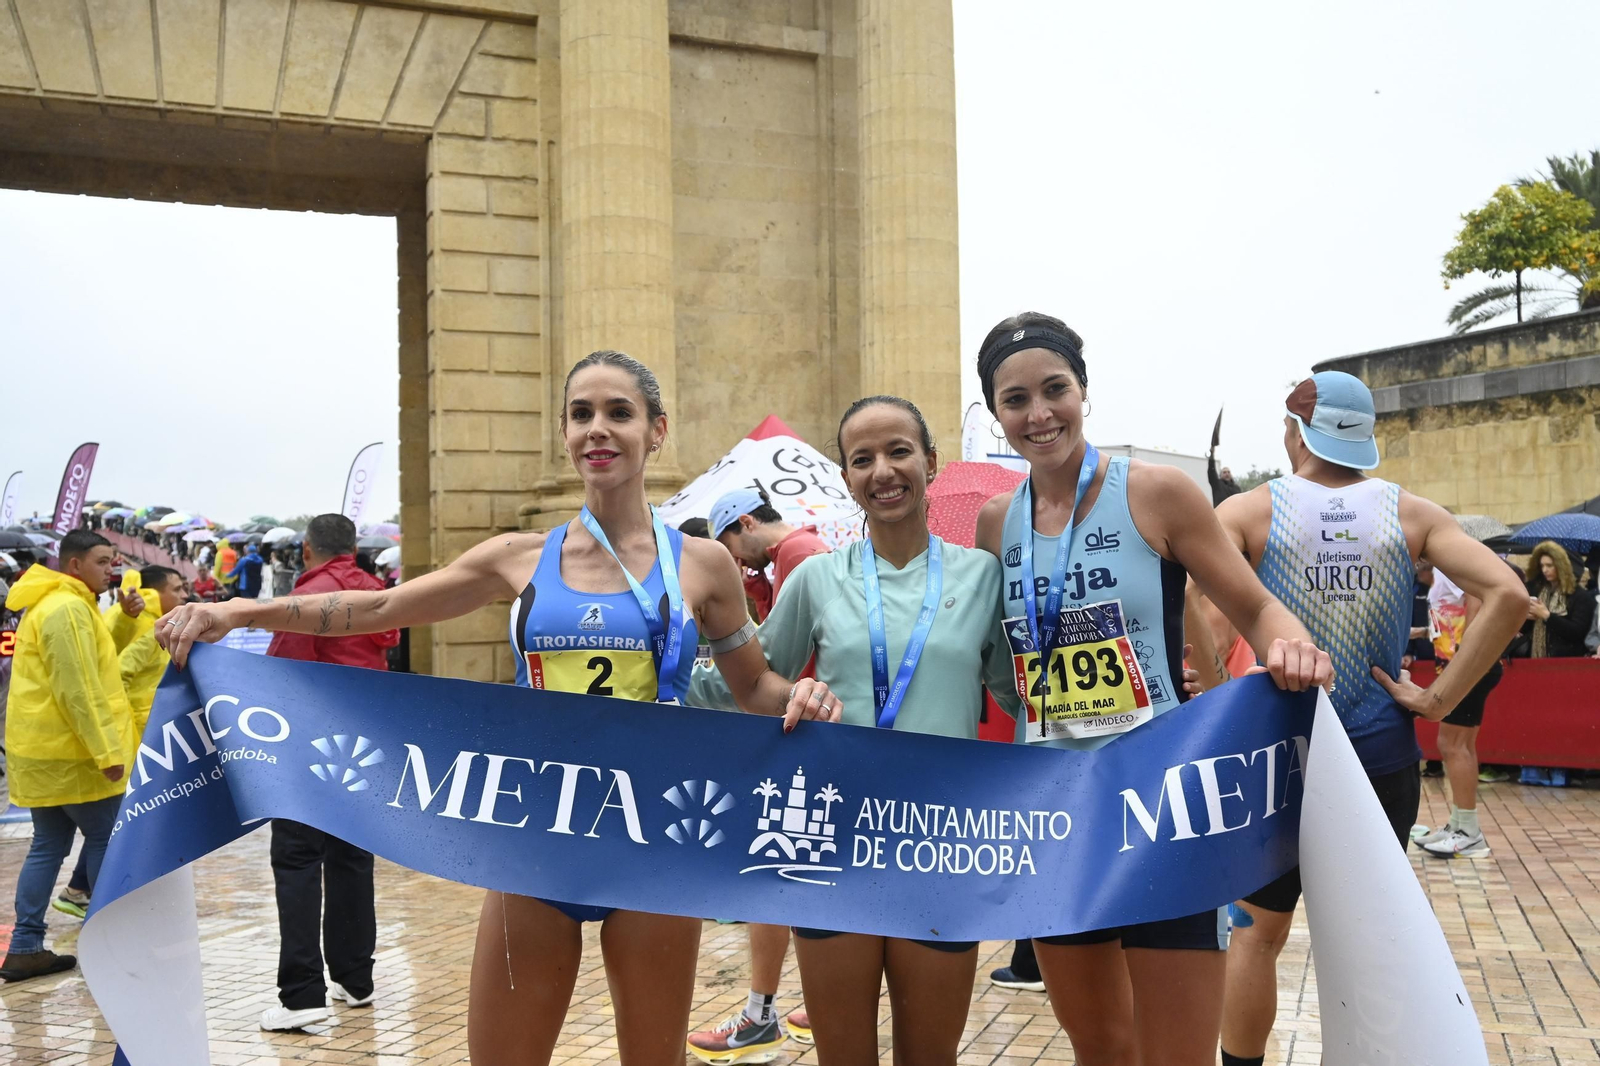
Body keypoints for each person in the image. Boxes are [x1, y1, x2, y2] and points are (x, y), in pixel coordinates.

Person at [158, 349, 841, 1064]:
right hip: (536, 836)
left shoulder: (703, 564)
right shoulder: (517, 557)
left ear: (657, 430)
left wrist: (802, 693)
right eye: (581, 415)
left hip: (653, 844)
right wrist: (240, 612)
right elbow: (384, 605)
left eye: (619, 413)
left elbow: (754, 689)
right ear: (565, 432)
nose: (597, 430)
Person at [971, 312, 1333, 1066]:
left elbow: (1256, 606)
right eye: (1015, 399)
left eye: (1054, 390)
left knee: (1176, 1054)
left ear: (1083, 392)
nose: (1038, 414)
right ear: (994, 412)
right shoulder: (995, 522)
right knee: (1101, 1048)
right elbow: (1002, 666)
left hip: (1161, 804)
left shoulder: (1158, 492)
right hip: (1059, 812)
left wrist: (1290, 646)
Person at [1204, 371, 1526, 1066]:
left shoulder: (1249, 515)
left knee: (1257, 935)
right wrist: (1437, 699)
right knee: (1367, 942)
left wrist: (1214, 705)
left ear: (1295, 433)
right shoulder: (1412, 516)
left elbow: (1195, 616)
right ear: (1364, 437)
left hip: (1275, 758)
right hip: (1380, 758)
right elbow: (1507, 592)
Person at [689, 395, 1022, 1066]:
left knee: (930, 1056)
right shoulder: (815, 578)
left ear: (930, 461)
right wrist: (660, 672)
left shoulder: (982, 576)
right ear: (846, 478)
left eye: (899, 452)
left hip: (940, 842)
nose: (882, 471)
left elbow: (1020, 697)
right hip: (833, 839)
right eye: (861, 459)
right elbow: (748, 682)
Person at [684, 486, 833, 1062]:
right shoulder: (794, 557)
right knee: (786, 879)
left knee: (774, 877)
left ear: (745, 522)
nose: (733, 563)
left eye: (729, 548)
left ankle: (764, 1012)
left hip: (799, 736)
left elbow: (768, 667)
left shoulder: (799, 555)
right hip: (801, 733)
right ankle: (789, 1005)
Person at [253, 514, 399, 1031]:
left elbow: (280, 673)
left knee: (296, 860)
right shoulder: (378, 592)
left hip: (308, 743)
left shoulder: (311, 596)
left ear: (308, 549)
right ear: (354, 547)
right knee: (352, 858)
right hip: (364, 743)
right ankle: (355, 979)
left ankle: (301, 994)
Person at [0, 530, 139, 981]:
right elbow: (77, 689)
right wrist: (106, 751)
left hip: (46, 752)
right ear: (74, 564)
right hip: (75, 755)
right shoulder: (66, 608)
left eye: (113, 561)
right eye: (102, 561)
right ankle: (111, 943)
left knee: (48, 845)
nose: (111, 569)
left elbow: (96, 659)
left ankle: (26, 945)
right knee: (104, 840)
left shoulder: (64, 604)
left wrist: (120, 619)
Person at [1413, 559, 1524, 856]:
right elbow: (1451, 617)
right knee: (1460, 744)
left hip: (1469, 666)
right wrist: (1424, 634)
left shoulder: (1450, 568)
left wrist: (1465, 658)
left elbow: (1476, 600)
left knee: (1451, 744)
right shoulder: (1439, 574)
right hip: (1466, 664)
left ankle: (1468, 831)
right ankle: (1460, 823)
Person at [1514, 541, 1596, 786]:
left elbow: (1577, 632)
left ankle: (1566, 771)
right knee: (1537, 720)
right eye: (1542, 566)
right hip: (1535, 667)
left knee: (1562, 722)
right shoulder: (1539, 593)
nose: (1547, 570)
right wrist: (1527, 620)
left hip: (1565, 671)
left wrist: (1547, 616)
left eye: (1551, 565)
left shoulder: (1579, 597)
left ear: (1561, 566)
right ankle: (1536, 768)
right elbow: (1529, 630)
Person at [708, 487, 831, 623]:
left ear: (747, 523)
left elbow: (793, 640)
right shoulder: (788, 551)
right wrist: (761, 593)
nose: (734, 558)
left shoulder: (794, 552)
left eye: (728, 547)